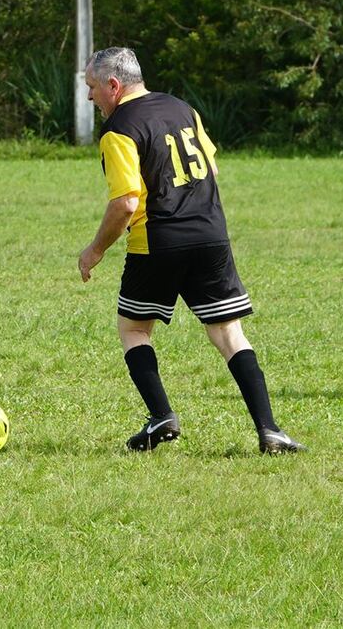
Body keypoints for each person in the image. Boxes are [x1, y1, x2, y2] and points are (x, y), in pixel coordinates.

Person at [77, 46, 302, 455]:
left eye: (92, 87)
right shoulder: (182, 108)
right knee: (229, 333)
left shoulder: (119, 129)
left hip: (158, 242)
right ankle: (270, 430)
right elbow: (210, 169)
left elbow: (126, 202)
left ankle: (161, 415)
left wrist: (94, 251)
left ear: (113, 85)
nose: (90, 97)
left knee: (133, 329)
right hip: (211, 235)